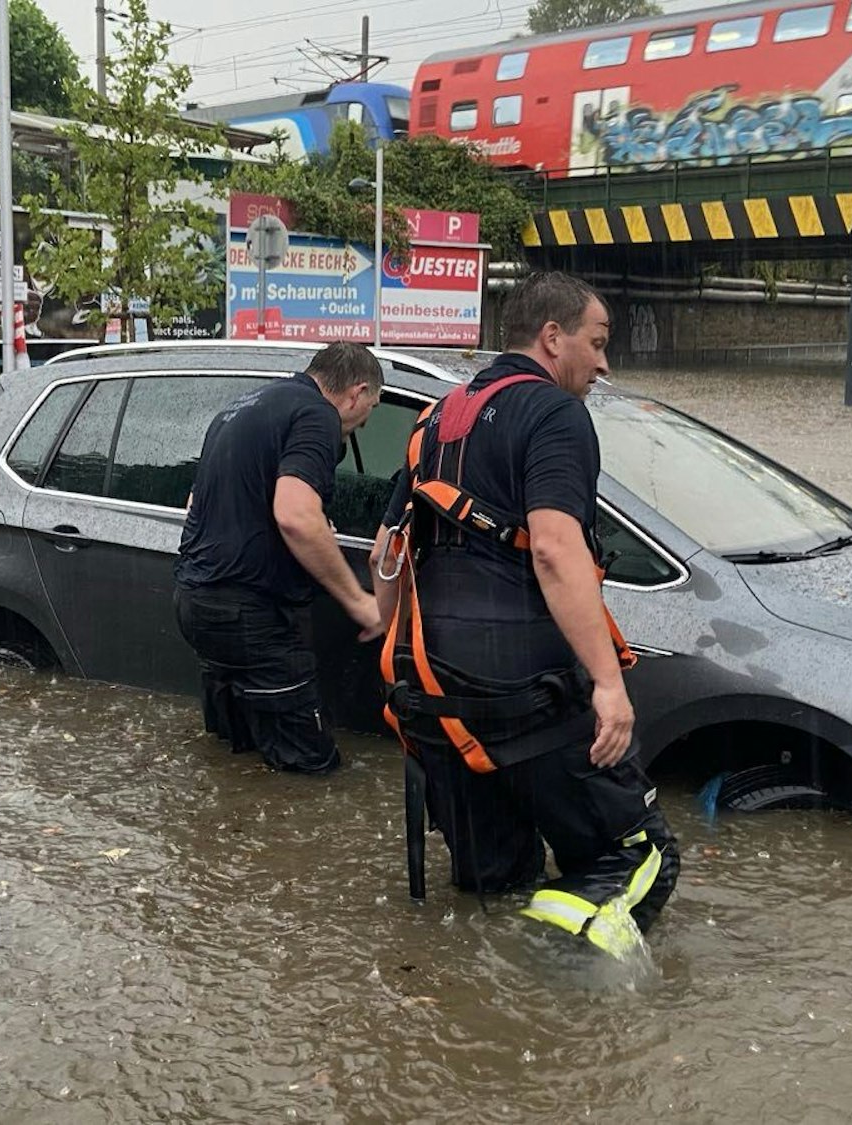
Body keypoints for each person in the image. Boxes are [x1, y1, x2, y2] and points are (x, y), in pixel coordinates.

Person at [372, 272, 678, 961]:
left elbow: (386, 562)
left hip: (428, 695)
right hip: (524, 686)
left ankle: (482, 1021)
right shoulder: (554, 414)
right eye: (596, 343)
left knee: (496, 881)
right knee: (641, 857)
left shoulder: (432, 418)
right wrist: (606, 680)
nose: (603, 363)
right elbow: (554, 546)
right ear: (552, 337)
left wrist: (394, 646)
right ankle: (549, 997)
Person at [174, 342, 386, 775]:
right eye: (372, 408)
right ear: (356, 393)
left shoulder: (243, 408)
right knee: (311, 772)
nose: (364, 423)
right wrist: (359, 602)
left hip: (195, 602)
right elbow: (293, 516)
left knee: (238, 756)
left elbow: (197, 500)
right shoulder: (317, 415)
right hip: (252, 614)